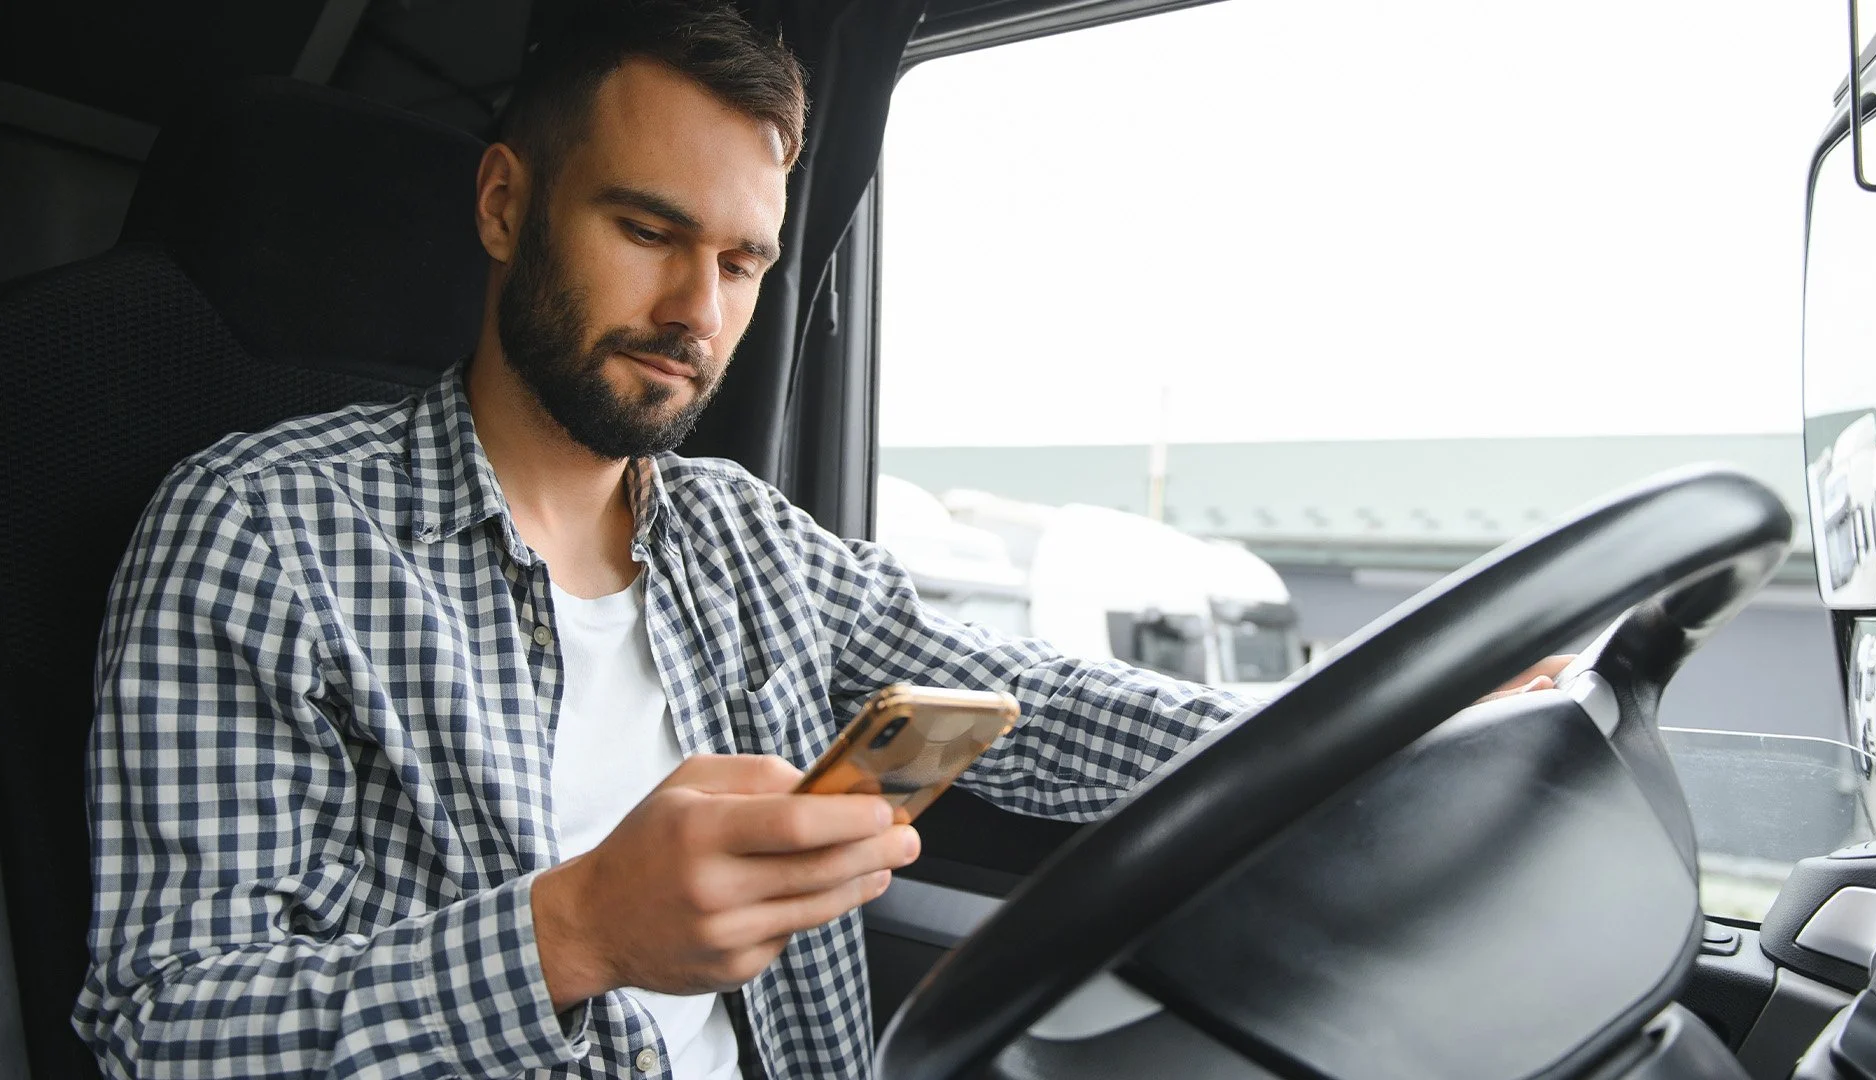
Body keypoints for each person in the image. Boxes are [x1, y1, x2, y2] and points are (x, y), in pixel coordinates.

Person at [72, 3, 1560, 1077]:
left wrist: (1386, 716)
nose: (696, 315)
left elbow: (1037, 710)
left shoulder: (745, 540)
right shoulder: (263, 532)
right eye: (649, 232)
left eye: (740, 261)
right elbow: (163, 1026)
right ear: (507, 202)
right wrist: (572, 930)